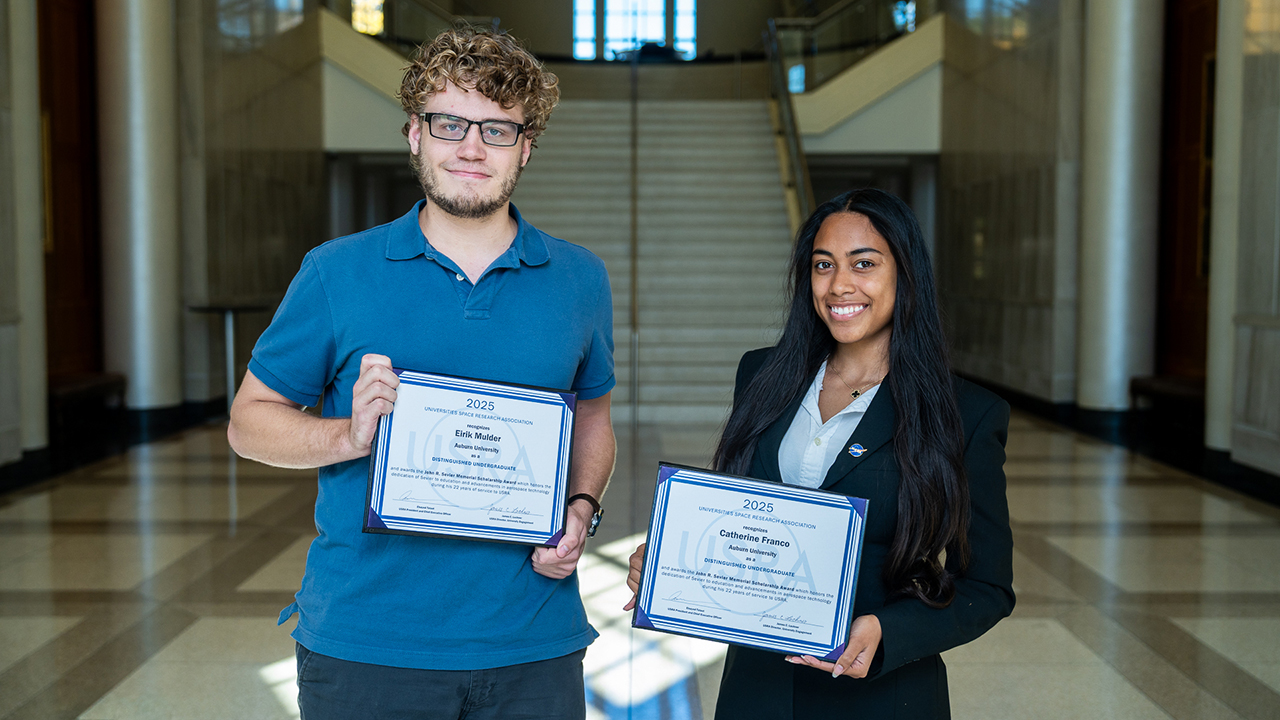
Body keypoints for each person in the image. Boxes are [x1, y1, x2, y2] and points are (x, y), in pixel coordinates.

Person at [228, 26, 615, 720]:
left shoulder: (580, 279)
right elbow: (248, 423)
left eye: (497, 131)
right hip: (367, 645)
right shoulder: (336, 271)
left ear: (525, 147)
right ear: (414, 134)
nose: (471, 147)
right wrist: (349, 436)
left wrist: (581, 510)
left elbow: (592, 416)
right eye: (449, 123)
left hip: (533, 641)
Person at [624, 188, 1014, 719]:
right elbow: (741, 518)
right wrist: (671, 561)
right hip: (757, 689)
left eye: (864, 264)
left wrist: (888, 631)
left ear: (906, 274)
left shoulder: (966, 413)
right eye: (823, 265)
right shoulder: (761, 375)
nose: (839, 286)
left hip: (882, 694)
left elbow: (988, 587)